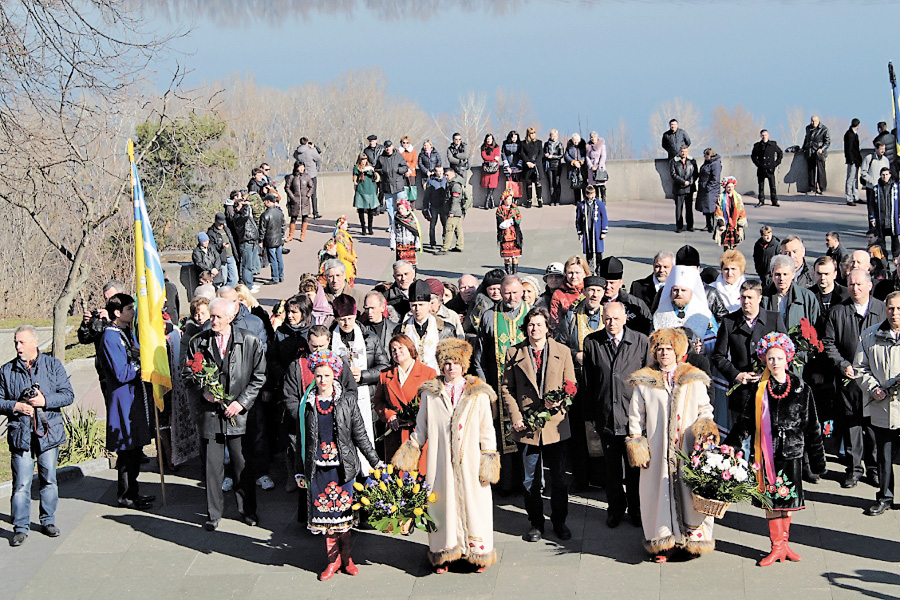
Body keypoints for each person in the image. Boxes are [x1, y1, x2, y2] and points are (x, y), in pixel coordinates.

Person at [392, 338, 500, 574]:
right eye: (447, 363)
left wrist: (488, 462)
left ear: (464, 365)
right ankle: (445, 554)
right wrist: (409, 453)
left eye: (456, 363)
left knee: (475, 505)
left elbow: (486, 431)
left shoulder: (478, 395)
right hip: (441, 463)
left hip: (470, 463)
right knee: (443, 506)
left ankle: (477, 554)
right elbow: (421, 428)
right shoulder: (430, 395)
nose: (451, 367)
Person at [726, 333, 826, 566]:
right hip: (766, 454)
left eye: (779, 358)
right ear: (764, 360)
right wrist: (732, 444)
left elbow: (812, 425)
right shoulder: (759, 389)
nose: (775, 363)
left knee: (788, 500)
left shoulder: (802, 388)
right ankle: (776, 547)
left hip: (792, 454)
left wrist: (818, 459)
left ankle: (785, 543)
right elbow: (746, 421)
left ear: (787, 358)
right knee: (771, 500)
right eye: (770, 359)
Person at [626, 327, 717, 562]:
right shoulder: (644, 381)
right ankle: (664, 544)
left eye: (668, 349)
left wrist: (705, 432)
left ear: (678, 351)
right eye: (660, 349)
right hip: (657, 453)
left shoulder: (693, 379)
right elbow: (635, 417)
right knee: (657, 495)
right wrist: (638, 445)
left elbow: (705, 410)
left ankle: (691, 542)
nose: (664, 353)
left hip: (687, 450)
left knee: (690, 495)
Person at [295, 350, 381, 581]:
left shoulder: (347, 400)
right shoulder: (307, 403)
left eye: (326, 375)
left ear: (335, 375)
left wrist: (375, 462)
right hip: (317, 468)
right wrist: (298, 470)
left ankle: (347, 558)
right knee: (327, 517)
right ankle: (331, 562)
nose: (322, 380)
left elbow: (360, 434)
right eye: (318, 376)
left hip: (343, 468)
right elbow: (300, 439)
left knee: (344, 516)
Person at [185, 297, 265, 530]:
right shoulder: (198, 342)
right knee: (212, 468)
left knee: (242, 466)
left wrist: (241, 403)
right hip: (211, 415)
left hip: (239, 416)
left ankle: (247, 511)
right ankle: (213, 514)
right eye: (211, 316)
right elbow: (187, 374)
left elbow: (259, 376)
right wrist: (204, 392)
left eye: (218, 316)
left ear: (231, 316)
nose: (214, 321)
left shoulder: (249, 341)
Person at [501, 306, 576, 542]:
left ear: (547, 327)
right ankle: (535, 522)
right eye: (531, 325)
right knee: (530, 478)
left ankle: (559, 521)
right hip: (527, 425)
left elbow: (571, 384)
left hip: (554, 425)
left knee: (558, 477)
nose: (535, 328)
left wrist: (560, 402)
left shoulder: (562, 351)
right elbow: (507, 388)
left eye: (539, 324)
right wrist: (516, 416)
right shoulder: (514, 353)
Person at [0, 325, 74, 547]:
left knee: (48, 479)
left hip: (47, 433)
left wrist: (45, 401)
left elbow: (68, 395)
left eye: (21, 342)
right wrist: (16, 406)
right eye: (15, 342)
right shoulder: (6, 370)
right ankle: (20, 528)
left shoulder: (52, 365)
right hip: (20, 435)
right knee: (21, 484)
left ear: (34, 342)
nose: (17, 346)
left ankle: (48, 520)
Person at [583, 303, 650, 527]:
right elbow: (589, 381)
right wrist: (591, 413)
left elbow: (649, 380)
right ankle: (615, 509)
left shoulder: (641, 341)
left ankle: (636, 509)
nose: (612, 323)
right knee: (611, 470)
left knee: (634, 469)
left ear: (625, 319)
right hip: (606, 415)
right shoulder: (592, 342)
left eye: (616, 318)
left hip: (633, 418)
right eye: (607, 319)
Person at [823, 269, 886, 489]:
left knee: (873, 426)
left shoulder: (882, 310)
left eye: (859, 284)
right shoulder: (838, 312)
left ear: (870, 286)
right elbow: (828, 344)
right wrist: (842, 365)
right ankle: (853, 469)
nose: (855, 288)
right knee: (852, 425)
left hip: (876, 380)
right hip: (848, 379)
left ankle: (874, 469)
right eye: (851, 284)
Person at [99, 293, 153, 510]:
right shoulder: (111, 337)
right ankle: (125, 495)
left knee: (134, 449)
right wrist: (142, 363)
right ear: (117, 313)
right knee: (127, 451)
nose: (133, 312)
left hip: (132, 397)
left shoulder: (125, 332)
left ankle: (134, 491)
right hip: (123, 398)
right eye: (129, 309)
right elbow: (121, 373)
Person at [711, 279, 787, 428]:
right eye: (743, 297)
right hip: (742, 393)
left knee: (767, 441)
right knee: (742, 444)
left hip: (769, 389)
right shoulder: (729, 322)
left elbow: (786, 351)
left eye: (750, 297)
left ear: (759, 298)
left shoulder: (774, 319)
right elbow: (718, 356)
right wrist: (736, 375)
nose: (746, 302)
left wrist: (771, 373)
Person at [473, 275, 530, 463]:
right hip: (500, 385)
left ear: (522, 292)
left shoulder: (532, 313)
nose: (511, 297)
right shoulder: (490, 316)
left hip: (528, 387)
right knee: (502, 434)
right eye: (507, 293)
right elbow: (479, 356)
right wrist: (486, 388)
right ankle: (507, 484)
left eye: (515, 293)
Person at [854, 290, 900, 516]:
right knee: (884, 454)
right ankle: (884, 496)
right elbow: (859, 368)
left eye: (899, 309)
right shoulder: (870, 335)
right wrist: (873, 387)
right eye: (891, 308)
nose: (895, 313)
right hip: (882, 405)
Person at [372, 334, 437, 470]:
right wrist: (390, 415)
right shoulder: (385, 374)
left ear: (410, 349)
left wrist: (417, 417)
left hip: (418, 433)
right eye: (393, 350)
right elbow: (378, 401)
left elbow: (435, 404)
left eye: (401, 348)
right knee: (397, 476)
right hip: (395, 432)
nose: (397, 352)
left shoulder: (428, 373)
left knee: (419, 476)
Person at [761, 255, 821, 362]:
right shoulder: (763, 297)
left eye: (785, 274)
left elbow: (816, 329)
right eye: (778, 274)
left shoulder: (807, 297)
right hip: (771, 358)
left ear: (793, 274)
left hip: (799, 359)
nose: (782, 278)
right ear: (772, 274)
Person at [395, 280, 458, 370]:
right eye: (414, 305)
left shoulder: (446, 329)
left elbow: (452, 359)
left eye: (421, 305)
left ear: (429, 305)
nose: (417, 309)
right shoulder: (401, 330)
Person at [375, 140, 409, 244]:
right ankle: (392, 225)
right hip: (387, 185)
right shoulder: (381, 158)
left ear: (392, 146)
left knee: (403, 205)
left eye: (389, 146)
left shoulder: (398, 156)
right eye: (386, 147)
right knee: (389, 207)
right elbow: (376, 168)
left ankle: (405, 223)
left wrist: (398, 170)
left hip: (398, 185)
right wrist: (381, 171)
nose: (388, 148)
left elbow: (405, 167)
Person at [549, 255, 590, 331]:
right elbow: (555, 321)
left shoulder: (591, 290)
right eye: (570, 273)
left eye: (577, 273)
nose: (573, 276)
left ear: (585, 273)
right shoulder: (558, 294)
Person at [575, 185, 608, 273]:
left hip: (596, 231)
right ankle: (590, 269)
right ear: (586, 194)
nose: (592, 196)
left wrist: (604, 231)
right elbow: (578, 219)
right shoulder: (581, 205)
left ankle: (599, 268)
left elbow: (604, 217)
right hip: (587, 231)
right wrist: (580, 232)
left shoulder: (600, 204)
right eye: (590, 194)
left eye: (593, 193)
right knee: (589, 251)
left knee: (598, 251)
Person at [869, 167, 900, 260]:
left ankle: (896, 256)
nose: (885, 176)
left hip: (892, 218)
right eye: (883, 175)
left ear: (890, 175)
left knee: (895, 238)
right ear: (880, 176)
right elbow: (871, 204)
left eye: (886, 174)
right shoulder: (876, 188)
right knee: (881, 239)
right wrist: (872, 217)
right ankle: (883, 256)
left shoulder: (896, 187)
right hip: (881, 218)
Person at [232, 194, 261, 292]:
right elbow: (245, 215)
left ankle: (250, 283)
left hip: (252, 242)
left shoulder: (242, 215)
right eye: (242, 205)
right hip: (246, 243)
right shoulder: (237, 217)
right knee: (246, 266)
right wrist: (246, 206)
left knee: (251, 265)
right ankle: (247, 286)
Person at [318, 218, 358, 289]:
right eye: (345, 224)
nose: (347, 225)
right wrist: (352, 259)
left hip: (349, 263)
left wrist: (354, 256)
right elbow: (342, 253)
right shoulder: (339, 237)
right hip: (345, 263)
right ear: (340, 225)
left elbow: (351, 248)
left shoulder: (345, 235)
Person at [751, 130, 784, 207]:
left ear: (768, 135)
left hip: (770, 168)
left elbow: (780, 153)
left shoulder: (773, 144)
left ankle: (774, 201)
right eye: (762, 135)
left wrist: (775, 163)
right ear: (760, 136)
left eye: (765, 135)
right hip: (761, 168)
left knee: (772, 186)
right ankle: (761, 201)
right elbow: (753, 156)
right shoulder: (757, 146)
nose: (764, 137)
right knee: (761, 186)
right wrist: (758, 164)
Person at [713, 177, 748, 251]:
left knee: (735, 243)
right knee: (725, 245)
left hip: (735, 224)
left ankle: (734, 260)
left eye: (732, 187)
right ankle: (726, 260)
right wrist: (721, 223)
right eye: (728, 187)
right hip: (726, 223)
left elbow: (741, 210)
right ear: (725, 187)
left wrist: (740, 224)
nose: (730, 189)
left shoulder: (738, 197)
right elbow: (718, 210)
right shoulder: (721, 197)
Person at [258, 194, 285, 284]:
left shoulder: (265, 215)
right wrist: (282, 236)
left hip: (270, 240)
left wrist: (261, 240)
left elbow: (262, 230)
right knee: (279, 258)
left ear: (268, 202)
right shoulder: (279, 212)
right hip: (279, 238)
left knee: (272, 259)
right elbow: (283, 226)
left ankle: (275, 277)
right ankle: (281, 276)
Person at [670, 145, 698, 233]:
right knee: (679, 208)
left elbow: (696, 173)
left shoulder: (692, 161)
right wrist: (683, 182)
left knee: (689, 208)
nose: (683, 153)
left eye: (685, 151)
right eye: (682, 151)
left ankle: (690, 226)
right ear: (679, 151)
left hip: (689, 188)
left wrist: (690, 181)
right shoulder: (674, 161)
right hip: (679, 188)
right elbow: (673, 174)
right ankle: (679, 226)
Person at [293, 137, 322, 219]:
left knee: (302, 194)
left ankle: (302, 212)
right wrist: (313, 148)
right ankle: (315, 212)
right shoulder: (311, 151)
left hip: (302, 175)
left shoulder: (297, 152)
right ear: (307, 142)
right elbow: (318, 158)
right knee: (313, 193)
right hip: (312, 174)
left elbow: (295, 156)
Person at [496, 187, 523, 274]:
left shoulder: (515, 208)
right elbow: (501, 224)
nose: (510, 201)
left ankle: (515, 272)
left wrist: (514, 221)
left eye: (511, 199)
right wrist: (510, 221)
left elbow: (518, 219)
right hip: (505, 236)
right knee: (507, 257)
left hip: (514, 235)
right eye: (508, 199)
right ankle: (508, 272)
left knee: (515, 256)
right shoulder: (500, 210)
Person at [285, 160, 313, 242]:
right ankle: (291, 235)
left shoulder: (307, 177)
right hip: (295, 200)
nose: (301, 168)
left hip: (305, 200)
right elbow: (287, 187)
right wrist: (292, 197)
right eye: (300, 167)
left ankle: (302, 235)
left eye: (302, 166)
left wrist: (308, 195)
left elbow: (312, 187)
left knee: (305, 217)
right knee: (293, 218)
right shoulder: (292, 177)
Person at [207, 213, 238, 287]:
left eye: (222, 223)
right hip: (221, 258)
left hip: (231, 256)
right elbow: (211, 247)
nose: (221, 225)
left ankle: (226, 291)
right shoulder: (211, 233)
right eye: (220, 223)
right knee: (223, 280)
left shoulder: (226, 229)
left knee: (234, 279)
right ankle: (223, 293)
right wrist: (221, 245)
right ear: (215, 221)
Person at [801, 115, 830, 194]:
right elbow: (806, 139)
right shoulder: (808, 128)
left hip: (819, 152)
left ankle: (822, 188)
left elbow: (827, 142)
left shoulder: (824, 129)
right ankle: (812, 188)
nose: (813, 123)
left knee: (821, 171)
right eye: (812, 121)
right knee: (811, 170)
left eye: (815, 121)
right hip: (810, 151)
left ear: (818, 121)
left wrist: (822, 149)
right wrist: (803, 148)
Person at [439, 168, 465, 255]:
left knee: (449, 228)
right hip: (457, 211)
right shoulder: (453, 183)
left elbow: (455, 200)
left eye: (447, 175)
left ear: (453, 174)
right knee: (458, 229)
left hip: (454, 211)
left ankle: (445, 248)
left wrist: (452, 211)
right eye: (445, 175)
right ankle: (459, 245)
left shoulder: (455, 185)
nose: (446, 177)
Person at [695, 148, 722, 231]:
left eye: (706, 155)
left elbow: (715, 178)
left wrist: (708, 187)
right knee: (706, 208)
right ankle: (708, 225)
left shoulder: (715, 164)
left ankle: (713, 226)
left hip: (711, 190)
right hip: (704, 188)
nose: (704, 156)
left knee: (711, 208)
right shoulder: (707, 163)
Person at [352, 155, 379, 236]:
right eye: (362, 159)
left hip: (370, 190)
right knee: (361, 210)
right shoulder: (356, 167)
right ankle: (363, 228)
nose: (364, 161)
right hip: (361, 191)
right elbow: (355, 177)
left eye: (365, 159)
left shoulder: (369, 167)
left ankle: (370, 228)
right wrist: (362, 171)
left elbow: (375, 178)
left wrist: (372, 171)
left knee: (370, 211)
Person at [861, 142, 891, 211]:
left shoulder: (886, 160)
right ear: (876, 149)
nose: (883, 151)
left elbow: (888, 172)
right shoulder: (869, 158)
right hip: (871, 187)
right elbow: (863, 172)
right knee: (871, 208)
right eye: (881, 149)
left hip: (882, 188)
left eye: (884, 149)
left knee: (882, 209)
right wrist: (871, 181)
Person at [424, 165, 448, 248]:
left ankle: (445, 241)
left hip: (444, 206)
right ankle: (432, 242)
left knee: (445, 224)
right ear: (435, 172)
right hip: (434, 206)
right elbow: (426, 196)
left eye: (441, 171)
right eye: (438, 171)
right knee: (432, 225)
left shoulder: (446, 180)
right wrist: (425, 207)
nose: (440, 173)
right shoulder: (431, 182)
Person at [519, 127, 544, 208]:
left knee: (538, 183)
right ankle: (529, 200)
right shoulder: (523, 143)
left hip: (536, 166)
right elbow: (522, 154)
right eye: (531, 133)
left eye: (534, 133)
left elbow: (541, 154)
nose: (533, 135)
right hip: (527, 166)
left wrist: (535, 163)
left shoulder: (539, 142)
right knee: (528, 183)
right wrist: (527, 162)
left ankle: (539, 199)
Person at [392, 197, 422, 264]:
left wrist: (417, 245)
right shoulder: (396, 219)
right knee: (401, 265)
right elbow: (393, 231)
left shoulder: (412, 219)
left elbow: (416, 233)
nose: (400, 210)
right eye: (399, 208)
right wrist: (393, 244)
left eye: (402, 208)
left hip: (410, 245)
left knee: (411, 265)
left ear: (406, 208)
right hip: (400, 245)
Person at [480, 133, 502, 209]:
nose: (489, 140)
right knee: (487, 185)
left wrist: (491, 158)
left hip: (494, 169)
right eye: (487, 139)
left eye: (490, 139)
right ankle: (491, 203)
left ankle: (487, 202)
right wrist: (493, 157)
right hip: (486, 169)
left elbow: (497, 156)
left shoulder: (496, 147)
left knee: (492, 185)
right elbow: (484, 157)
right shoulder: (483, 147)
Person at [544, 129, 565, 206]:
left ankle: (557, 200)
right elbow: (543, 153)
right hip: (549, 165)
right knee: (550, 183)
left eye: (555, 136)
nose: (553, 137)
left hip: (557, 165)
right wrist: (545, 155)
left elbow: (561, 155)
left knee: (557, 183)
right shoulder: (546, 144)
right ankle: (552, 200)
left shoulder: (559, 144)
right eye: (552, 136)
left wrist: (552, 156)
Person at [565, 133, 588, 205]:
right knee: (575, 185)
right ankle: (577, 201)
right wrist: (573, 162)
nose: (576, 143)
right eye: (574, 141)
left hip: (582, 168)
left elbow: (585, 155)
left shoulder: (583, 146)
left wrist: (581, 161)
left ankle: (585, 199)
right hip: (573, 169)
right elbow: (566, 156)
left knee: (584, 184)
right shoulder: (569, 146)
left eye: (577, 141)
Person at [844, 118, 862, 206]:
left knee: (854, 179)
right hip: (852, 160)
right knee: (850, 179)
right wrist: (851, 160)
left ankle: (856, 196)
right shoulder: (850, 135)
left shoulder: (853, 134)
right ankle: (849, 198)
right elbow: (849, 149)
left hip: (855, 160)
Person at [585, 131, 608, 202]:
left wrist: (599, 166)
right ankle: (596, 199)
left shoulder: (602, 146)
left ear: (597, 138)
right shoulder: (588, 146)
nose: (592, 139)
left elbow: (603, 156)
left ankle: (603, 199)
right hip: (592, 169)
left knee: (601, 185)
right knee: (594, 186)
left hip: (600, 169)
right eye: (591, 137)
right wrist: (591, 166)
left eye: (594, 137)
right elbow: (587, 157)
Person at [399, 136, 419, 206]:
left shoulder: (413, 151)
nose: (405, 144)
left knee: (412, 188)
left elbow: (414, 161)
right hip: (402, 172)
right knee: (404, 189)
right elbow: (399, 161)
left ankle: (412, 205)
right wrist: (404, 170)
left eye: (407, 143)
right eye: (403, 143)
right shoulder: (399, 152)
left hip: (411, 172)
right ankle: (404, 204)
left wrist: (409, 169)